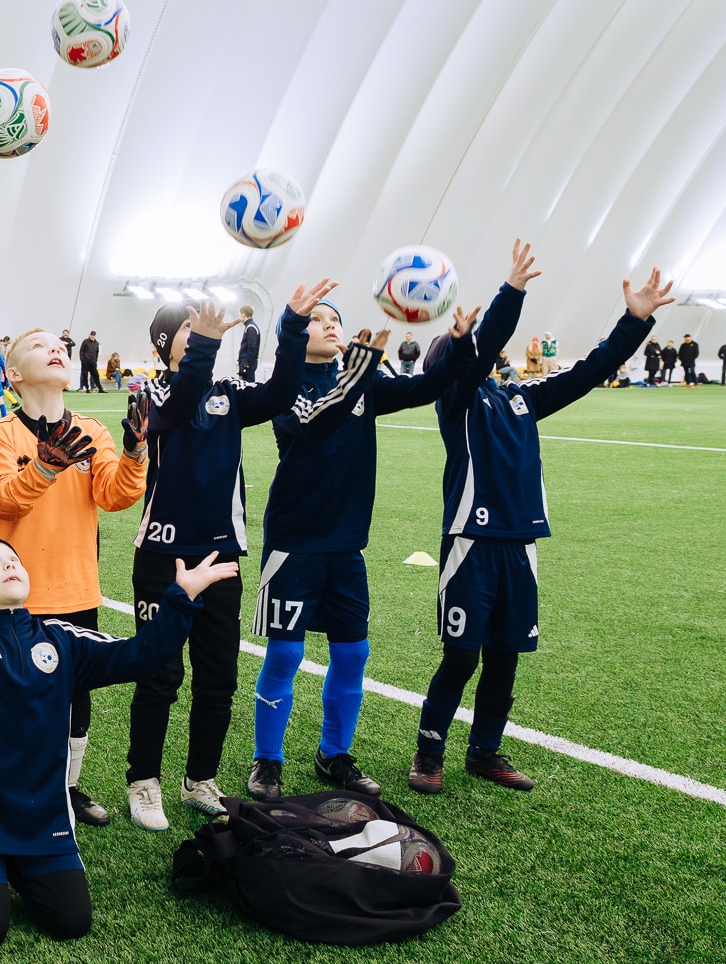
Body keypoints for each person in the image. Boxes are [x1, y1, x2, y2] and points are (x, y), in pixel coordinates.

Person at [0, 508, 236, 949]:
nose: (8, 564)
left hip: (45, 822)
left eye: (13, 559)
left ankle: (12, 865)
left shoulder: (61, 639)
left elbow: (140, 656)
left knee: (72, 921)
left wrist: (182, 597)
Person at [411, 248, 671, 794]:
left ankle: (484, 752)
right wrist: (511, 292)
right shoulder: (456, 398)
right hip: (471, 544)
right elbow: (477, 354)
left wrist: (634, 321)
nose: (486, 356)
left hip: (521, 545)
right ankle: (428, 754)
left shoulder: (521, 399)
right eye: (470, 351)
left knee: (505, 659)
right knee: (461, 658)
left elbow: (590, 370)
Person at [122, 280, 332, 831]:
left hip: (222, 557)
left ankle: (199, 780)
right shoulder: (149, 394)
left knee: (217, 679)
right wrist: (207, 344)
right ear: (166, 344)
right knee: (159, 675)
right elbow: (180, 403)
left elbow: (282, 392)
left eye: (202, 327)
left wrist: (292, 325)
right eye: (187, 328)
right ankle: (144, 781)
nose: (200, 333)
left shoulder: (231, 392)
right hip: (163, 557)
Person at [247, 297, 475, 801]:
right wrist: (360, 368)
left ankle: (334, 754)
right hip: (294, 542)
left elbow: (425, 388)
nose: (330, 326)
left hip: (347, 544)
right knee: (285, 653)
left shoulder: (362, 381)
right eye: (318, 320)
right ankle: (267, 760)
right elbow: (316, 421)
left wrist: (460, 347)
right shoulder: (285, 387)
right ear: (296, 334)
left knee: (353, 654)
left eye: (336, 320)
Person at [0, 328, 148, 826]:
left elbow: (115, 496)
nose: (55, 348)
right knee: (20, 695)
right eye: (39, 345)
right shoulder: (4, 433)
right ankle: (18, 789)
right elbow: (2, 501)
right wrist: (44, 468)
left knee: (76, 695)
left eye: (58, 343)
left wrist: (135, 453)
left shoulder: (92, 430)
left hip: (77, 588)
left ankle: (67, 788)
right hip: (18, 594)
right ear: (13, 374)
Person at [237, 306, 260, 383]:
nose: (239, 317)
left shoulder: (251, 327)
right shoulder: (249, 326)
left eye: (240, 314)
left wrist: (246, 364)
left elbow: (251, 347)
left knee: (248, 385)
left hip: (248, 363)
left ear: (243, 314)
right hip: (247, 362)